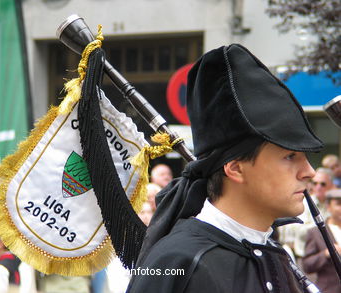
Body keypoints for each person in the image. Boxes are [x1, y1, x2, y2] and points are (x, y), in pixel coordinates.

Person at [127, 44, 324, 292]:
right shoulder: (178, 261)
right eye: (290, 156)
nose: (309, 172)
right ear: (235, 168)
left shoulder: (276, 253)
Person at [302, 189, 341, 293]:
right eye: (338, 204)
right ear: (328, 207)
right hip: (329, 289)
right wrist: (326, 254)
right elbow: (307, 265)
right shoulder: (316, 232)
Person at [293, 167, 334, 258]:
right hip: (305, 257)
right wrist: (327, 226)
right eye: (315, 183)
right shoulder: (304, 203)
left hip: (328, 259)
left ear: (331, 185)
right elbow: (299, 230)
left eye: (323, 184)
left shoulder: (334, 205)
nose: (318, 187)